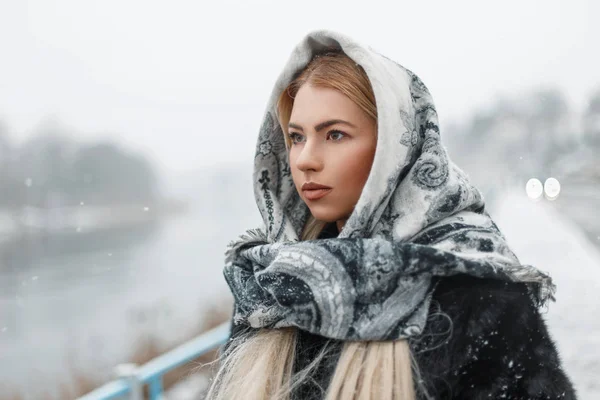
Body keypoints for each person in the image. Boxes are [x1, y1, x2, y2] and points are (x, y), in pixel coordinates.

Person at [203, 29, 577, 399]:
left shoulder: (477, 293)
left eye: (334, 135)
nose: (304, 160)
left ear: (394, 150)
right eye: (297, 137)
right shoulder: (271, 281)